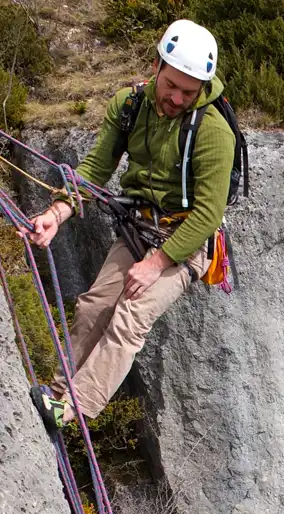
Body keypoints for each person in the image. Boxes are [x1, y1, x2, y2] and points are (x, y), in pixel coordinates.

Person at [25, 19, 235, 430]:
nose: (176, 98)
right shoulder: (129, 105)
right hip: (138, 228)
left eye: (189, 93)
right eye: (171, 85)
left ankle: (72, 410)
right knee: (95, 306)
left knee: (129, 318)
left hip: (184, 242)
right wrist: (57, 213)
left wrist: (157, 263)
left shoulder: (213, 132)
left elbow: (208, 213)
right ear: (157, 65)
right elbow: (95, 169)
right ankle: (57, 390)